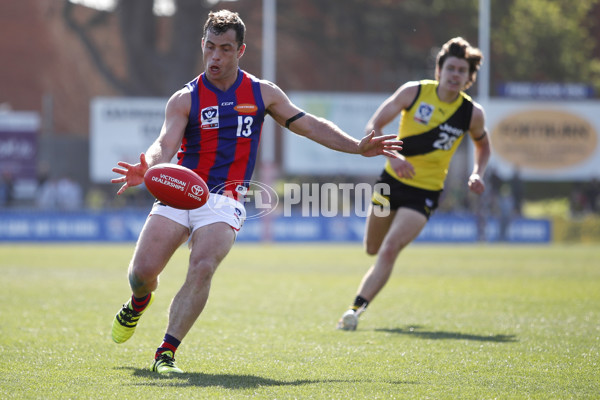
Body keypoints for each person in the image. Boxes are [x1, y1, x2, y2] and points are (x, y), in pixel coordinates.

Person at [110, 9, 402, 374]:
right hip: (181, 189)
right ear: (202, 45)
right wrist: (149, 165)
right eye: (211, 47)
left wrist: (357, 146)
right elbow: (164, 143)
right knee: (141, 275)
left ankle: (165, 353)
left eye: (226, 49)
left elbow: (309, 125)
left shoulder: (262, 93)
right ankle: (138, 303)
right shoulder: (184, 99)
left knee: (202, 266)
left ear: (240, 50)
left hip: (225, 198)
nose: (216, 56)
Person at [336, 37, 491, 331]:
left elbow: (484, 147)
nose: (455, 75)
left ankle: (354, 309)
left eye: (462, 70)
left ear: (469, 78)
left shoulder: (472, 113)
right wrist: (393, 158)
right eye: (451, 68)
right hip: (389, 183)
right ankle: (359, 301)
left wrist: (476, 173)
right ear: (439, 70)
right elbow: (374, 127)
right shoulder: (414, 92)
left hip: (426, 191)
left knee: (390, 248)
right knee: (372, 247)